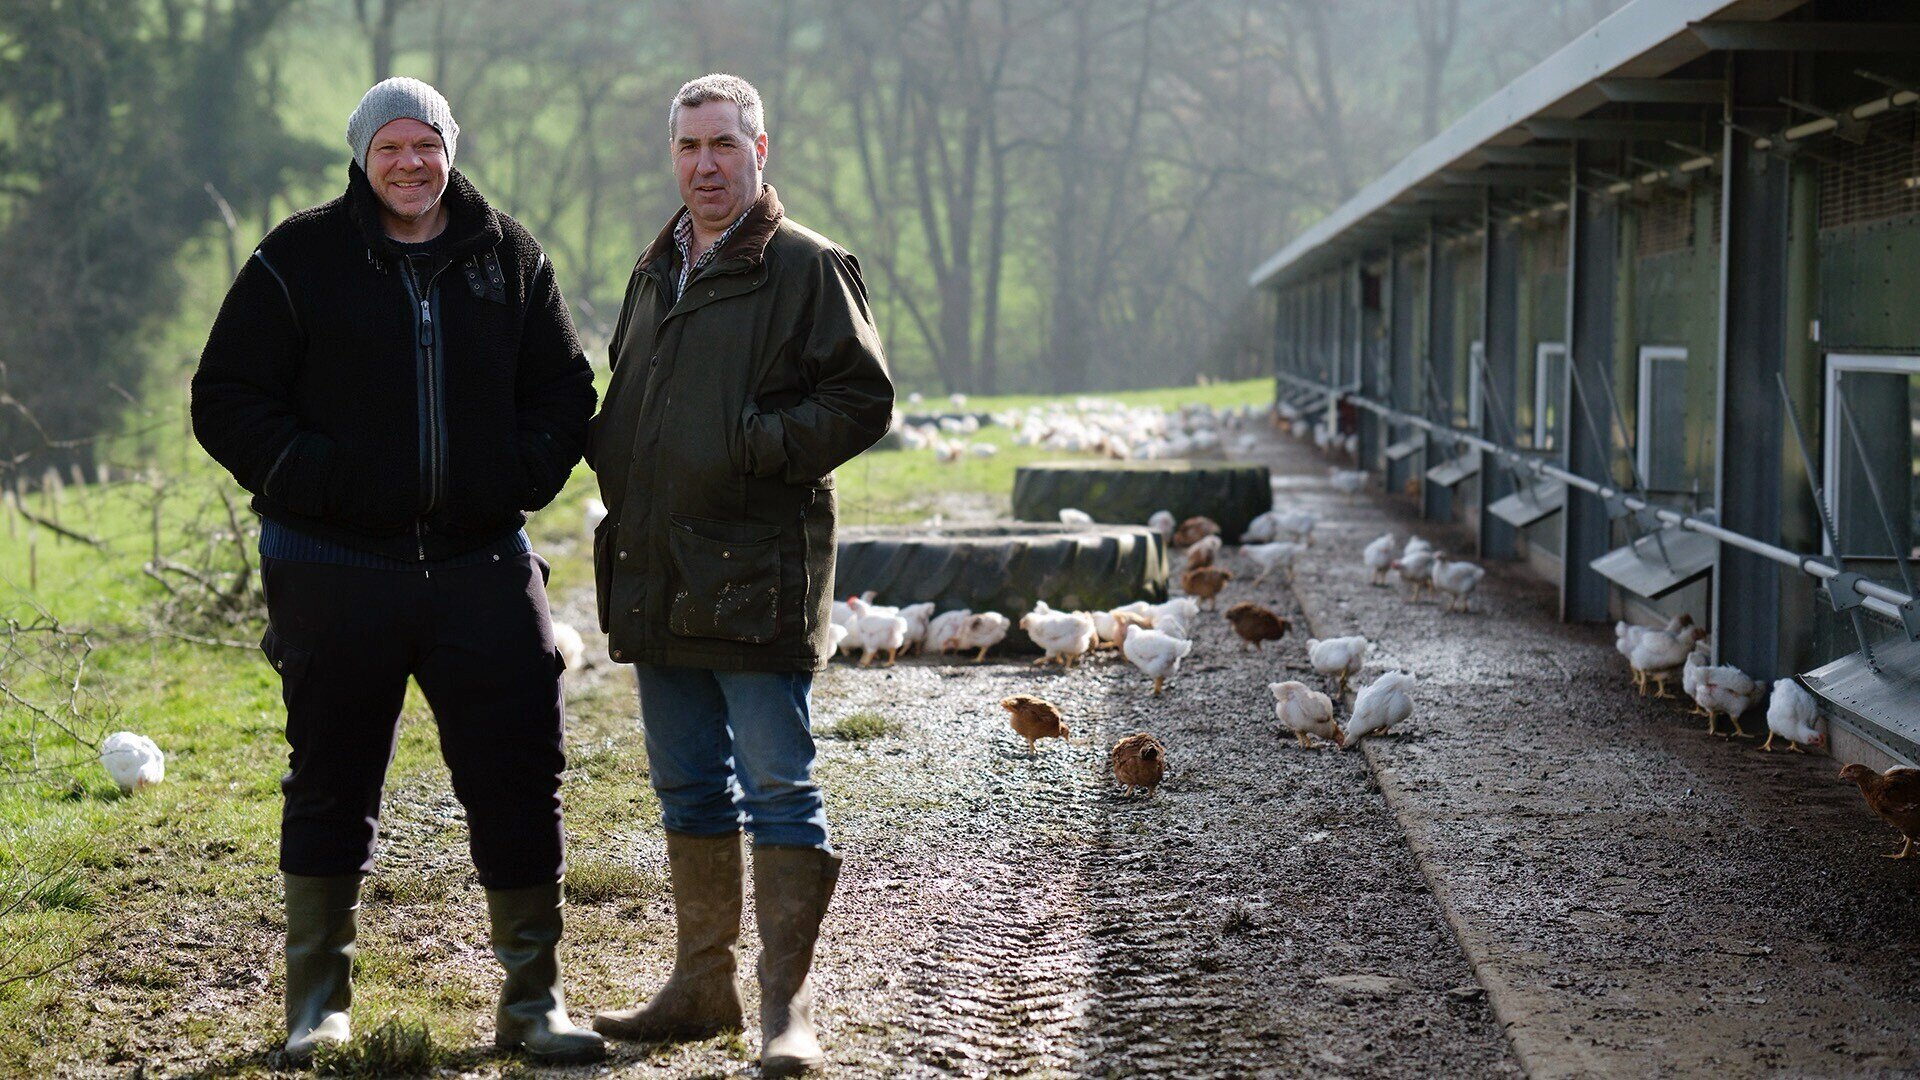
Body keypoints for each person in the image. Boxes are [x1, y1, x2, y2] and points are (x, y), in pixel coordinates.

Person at [191, 77, 604, 1064]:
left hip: (480, 561)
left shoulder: (506, 256)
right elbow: (227, 397)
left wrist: (510, 474)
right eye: (392, 147)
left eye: (427, 145)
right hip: (334, 566)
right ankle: (317, 1007)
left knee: (519, 772)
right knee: (331, 780)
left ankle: (532, 1004)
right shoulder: (298, 257)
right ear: (363, 156)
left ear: (449, 150)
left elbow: (562, 388)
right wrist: (320, 478)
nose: (412, 164)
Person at [586, 73, 893, 1076]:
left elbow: (861, 400)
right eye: (688, 147)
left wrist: (750, 444)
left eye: (723, 144)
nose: (704, 165)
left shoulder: (806, 267)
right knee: (686, 786)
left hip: (756, 576)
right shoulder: (654, 268)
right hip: (660, 574)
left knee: (778, 787)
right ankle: (700, 985)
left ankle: (784, 1010)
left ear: (762, 149)